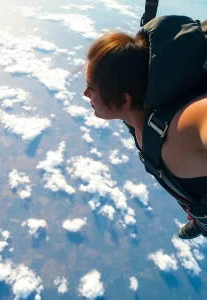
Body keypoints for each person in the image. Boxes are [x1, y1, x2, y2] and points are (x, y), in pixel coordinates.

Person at [83, 29, 207, 239]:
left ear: (124, 100)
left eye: (90, 88)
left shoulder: (181, 130)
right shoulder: (137, 115)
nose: (85, 94)